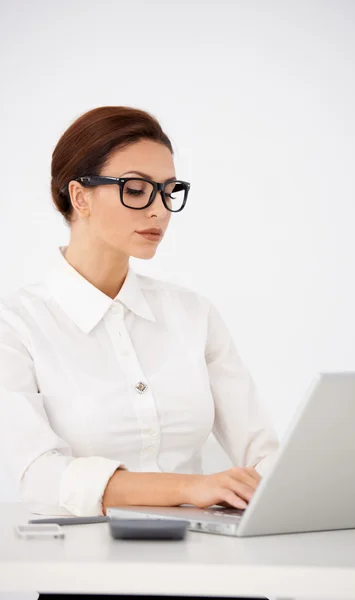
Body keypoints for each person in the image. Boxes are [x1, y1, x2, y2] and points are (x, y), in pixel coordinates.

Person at [0, 105, 278, 600]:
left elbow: (262, 450)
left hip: (209, 572)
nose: (159, 209)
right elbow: (42, 477)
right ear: (79, 196)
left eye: (169, 190)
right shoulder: (17, 325)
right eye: (135, 188)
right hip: (83, 578)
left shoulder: (193, 314)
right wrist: (190, 488)